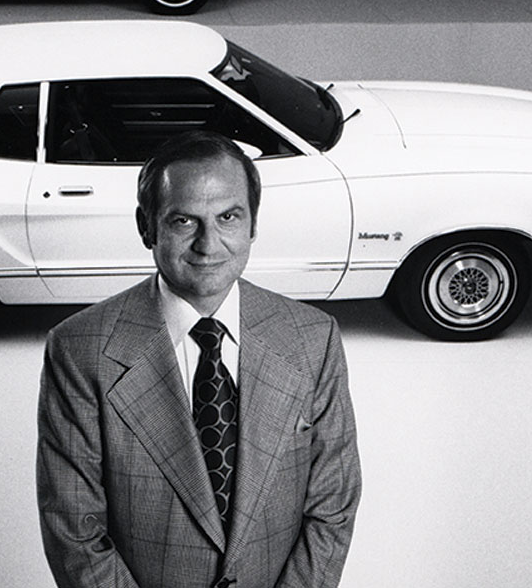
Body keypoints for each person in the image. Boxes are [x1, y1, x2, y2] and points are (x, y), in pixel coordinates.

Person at [36, 131, 361, 588]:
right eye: (184, 221)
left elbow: (333, 505)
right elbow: (74, 531)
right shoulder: (80, 350)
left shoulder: (313, 339)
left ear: (252, 224)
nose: (209, 245)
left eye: (228, 216)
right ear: (146, 227)